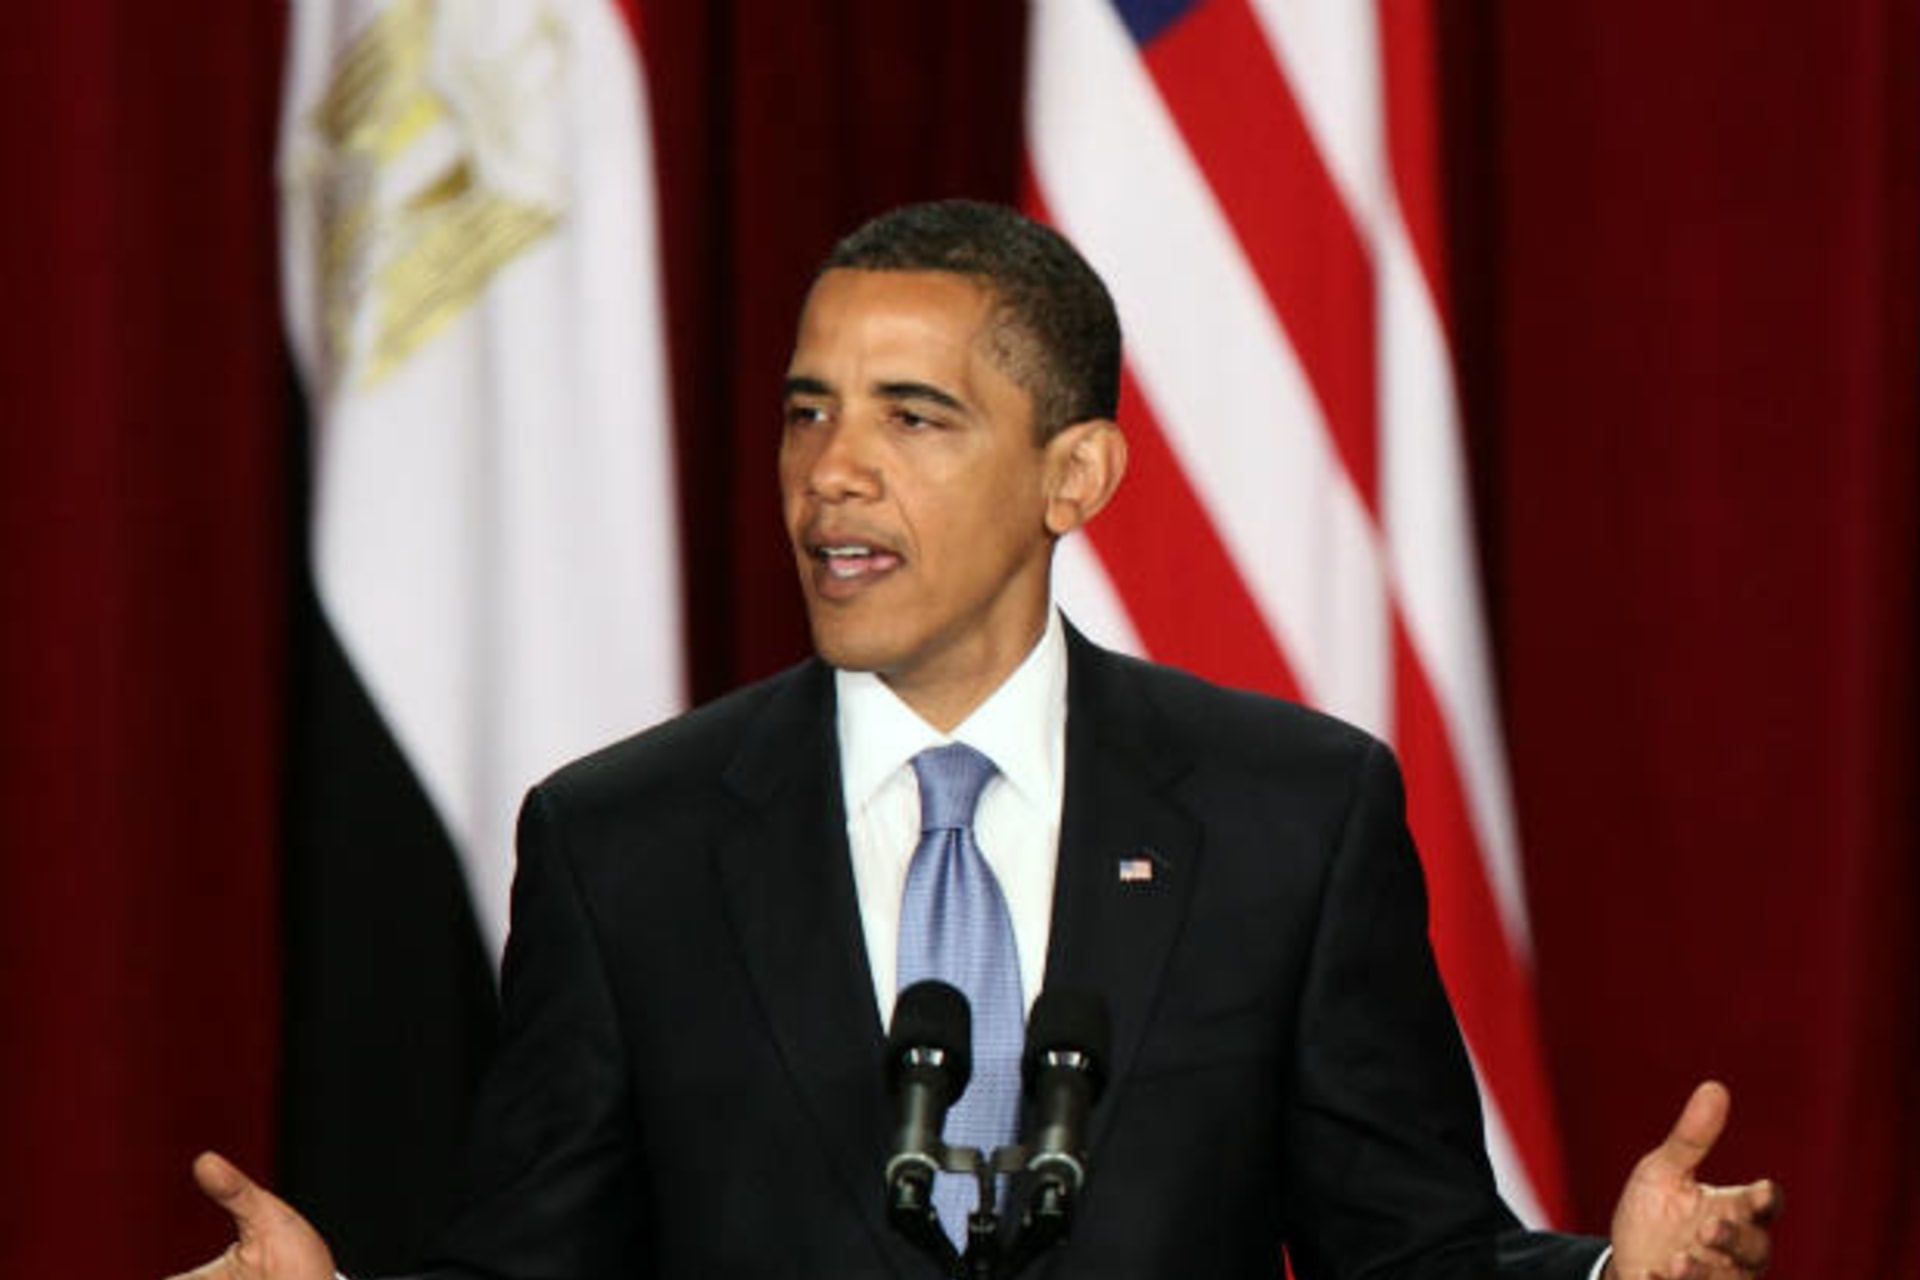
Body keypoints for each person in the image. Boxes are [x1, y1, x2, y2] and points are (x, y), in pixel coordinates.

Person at [169, 200, 1779, 1280]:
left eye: (911, 416)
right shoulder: (622, 841)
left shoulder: (1292, 814)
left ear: (1073, 478)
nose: (830, 473)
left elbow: (1409, 1249)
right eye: (808, 410)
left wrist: (1609, 1279)